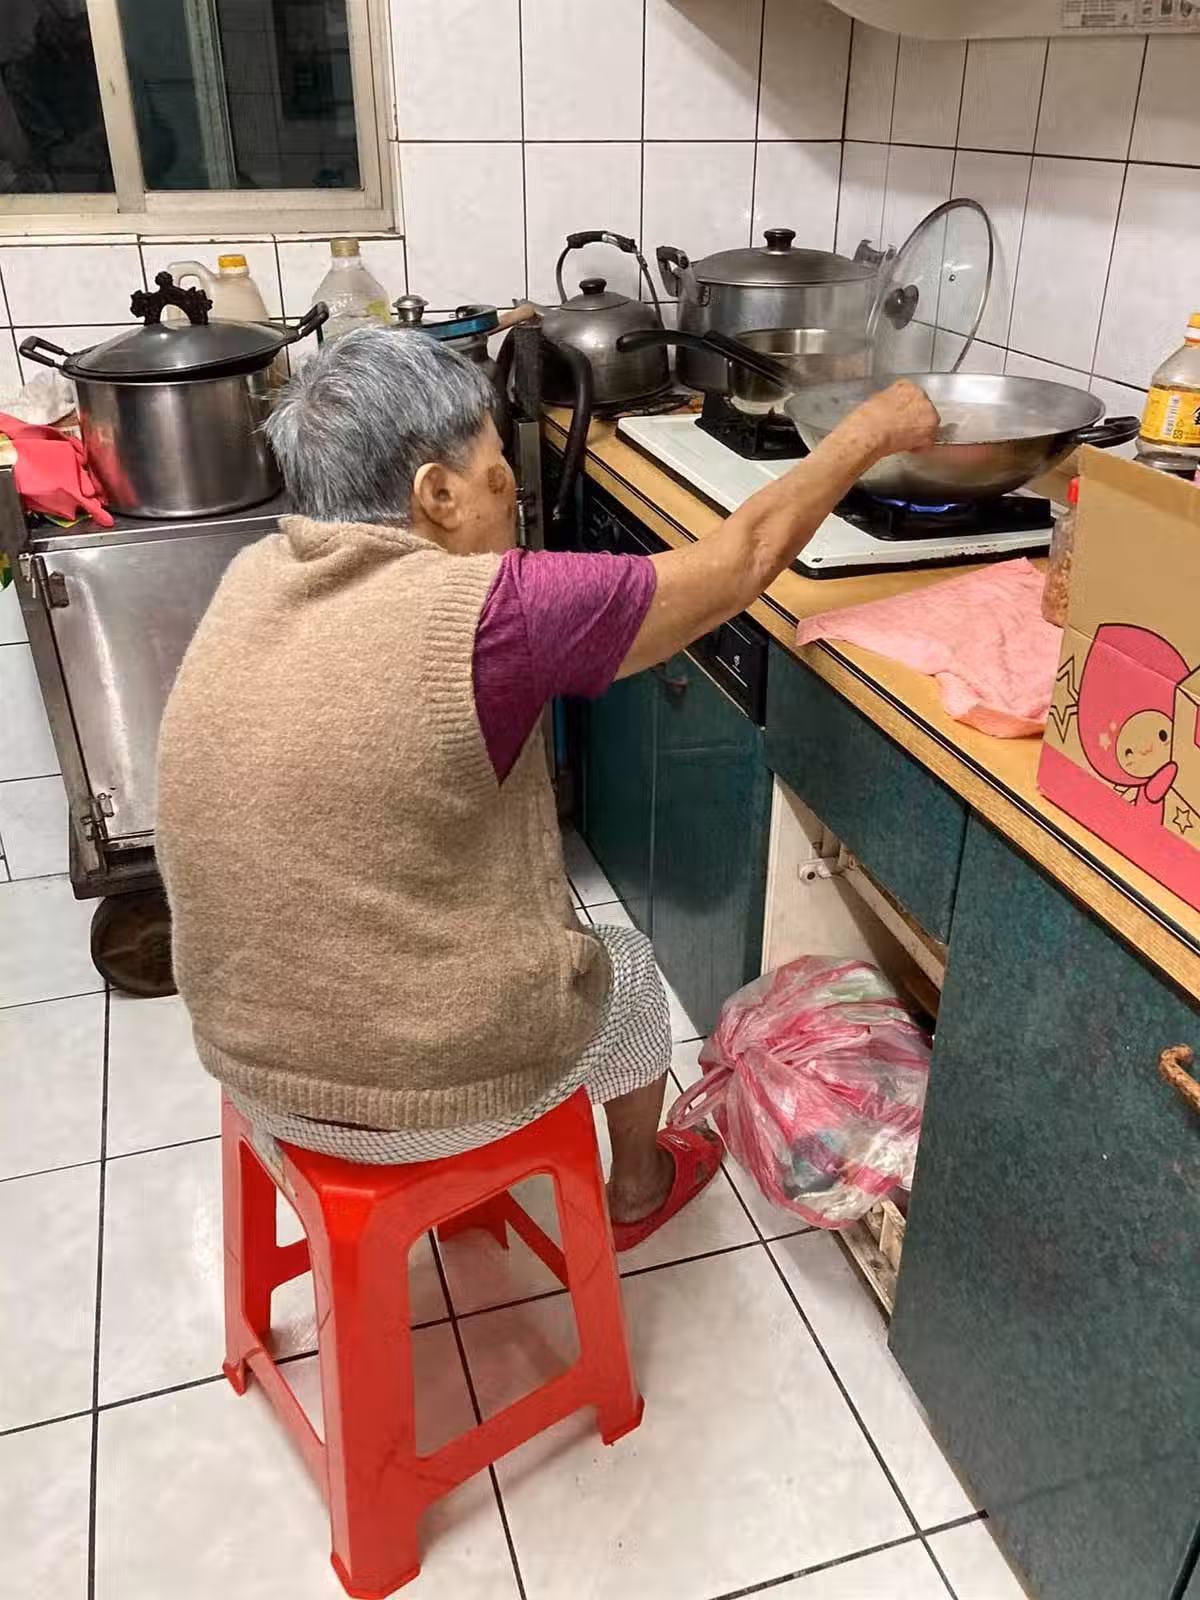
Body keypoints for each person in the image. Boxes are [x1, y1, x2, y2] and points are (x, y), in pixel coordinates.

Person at [156, 329, 938, 1250]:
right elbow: (743, 559)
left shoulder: (254, 574)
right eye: (498, 476)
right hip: (402, 1100)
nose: (512, 500)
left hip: (251, 1068)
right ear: (436, 495)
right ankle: (638, 1187)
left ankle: (447, 1179)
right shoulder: (491, 613)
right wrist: (868, 433)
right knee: (627, 970)